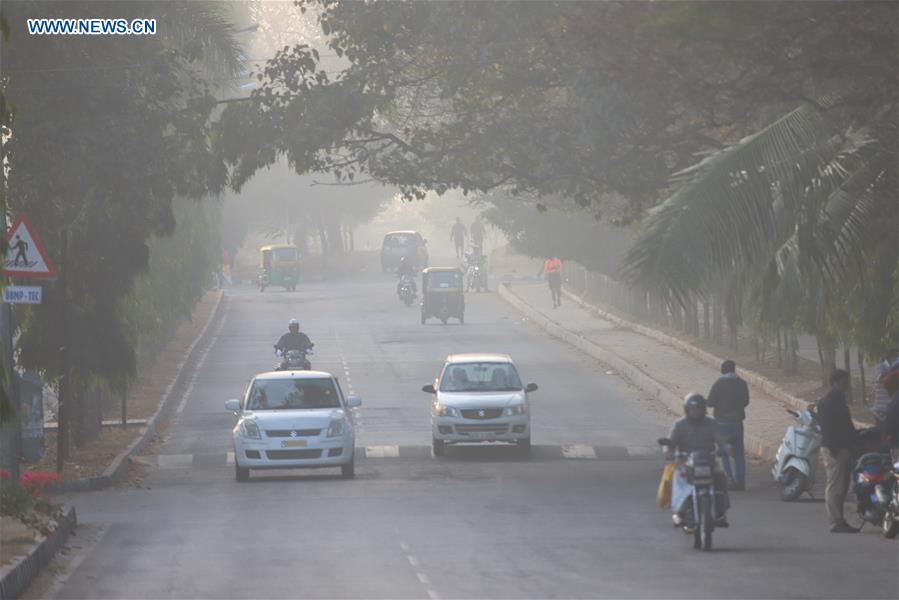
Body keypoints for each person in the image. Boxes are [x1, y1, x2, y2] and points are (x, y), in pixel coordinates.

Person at [665, 393, 731, 527]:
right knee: (678, 477)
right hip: (686, 462)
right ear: (686, 410)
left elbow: (721, 439)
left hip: (708, 461)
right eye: (692, 409)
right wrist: (669, 452)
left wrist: (726, 447)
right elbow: (670, 443)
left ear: (703, 409)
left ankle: (721, 511)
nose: (695, 412)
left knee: (721, 477)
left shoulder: (711, 423)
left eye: (698, 409)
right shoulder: (679, 425)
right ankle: (680, 510)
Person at [817, 369, 859, 533]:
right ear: (835, 382)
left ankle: (839, 519)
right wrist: (834, 448)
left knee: (842, 485)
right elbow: (827, 427)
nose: (847, 384)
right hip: (835, 448)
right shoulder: (830, 401)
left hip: (842, 447)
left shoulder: (838, 399)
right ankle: (836, 521)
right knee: (835, 485)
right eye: (844, 381)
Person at [706, 359, 750, 490]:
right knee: (739, 453)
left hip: (722, 423)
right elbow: (746, 401)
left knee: (724, 452)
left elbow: (711, 402)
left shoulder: (719, 383)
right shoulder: (742, 383)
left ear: (723, 370)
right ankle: (740, 481)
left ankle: (729, 479)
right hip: (737, 423)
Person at [873, 348, 899, 423]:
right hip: (881, 411)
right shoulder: (880, 366)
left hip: (892, 410)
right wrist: (894, 370)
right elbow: (882, 378)